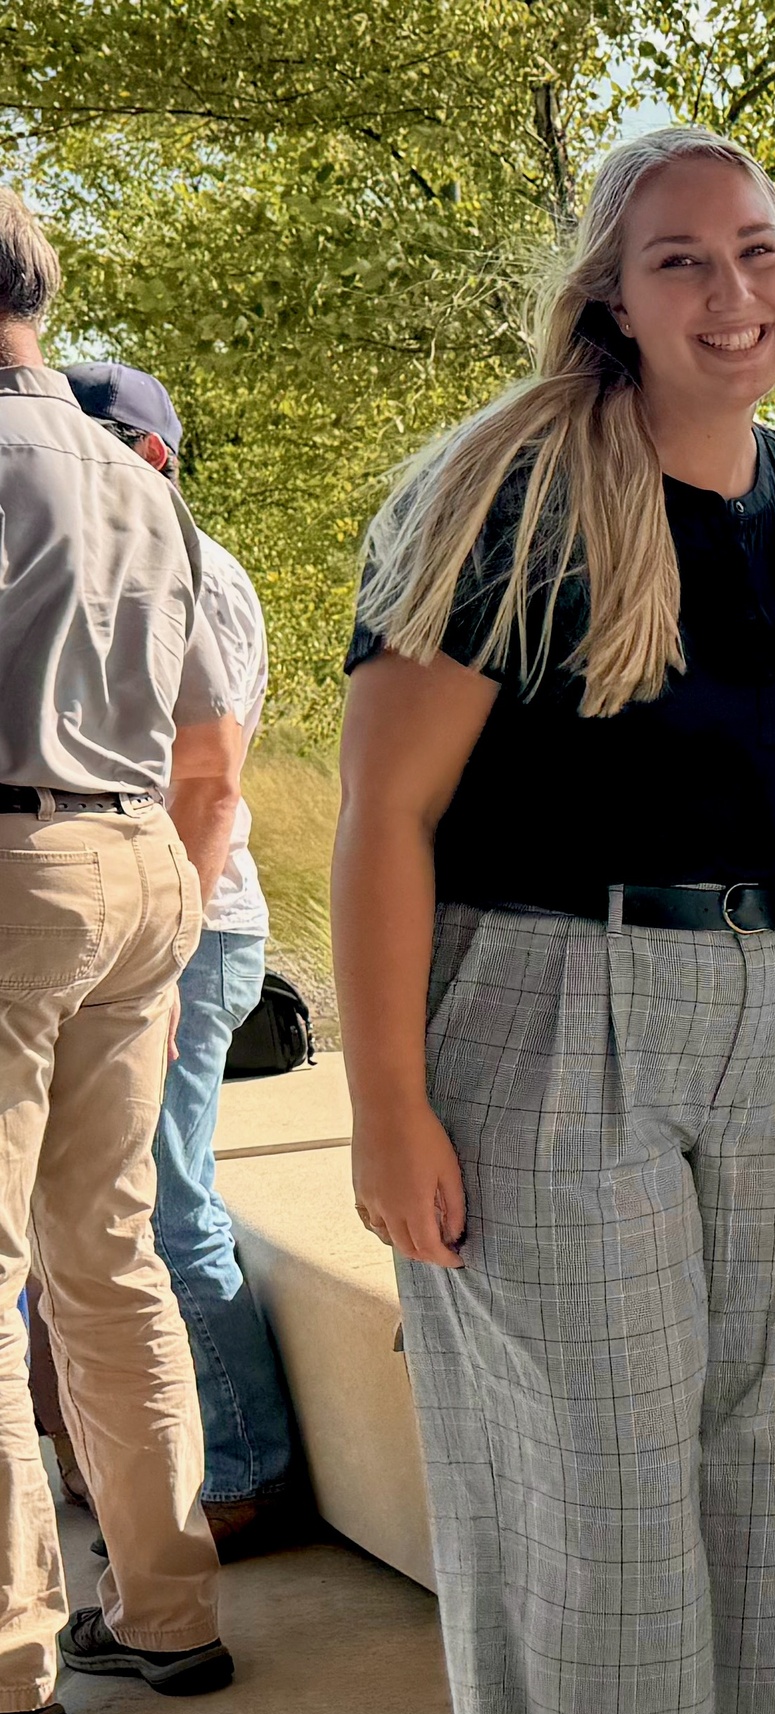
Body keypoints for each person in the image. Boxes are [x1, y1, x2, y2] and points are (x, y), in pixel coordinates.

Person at [335, 127, 775, 1714]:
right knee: (597, 1506)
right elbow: (383, 810)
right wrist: (387, 1104)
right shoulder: (513, 489)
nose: (733, 295)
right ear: (612, 291)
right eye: (681, 263)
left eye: (758, 252)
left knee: (757, 1471)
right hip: (547, 1002)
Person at [0, 187, 244, 1714]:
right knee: (108, 1255)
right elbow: (214, 745)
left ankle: (11, 1662)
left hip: (15, 865)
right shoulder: (136, 478)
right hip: (141, 865)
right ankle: (170, 1608)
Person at [61, 361, 304, 1550]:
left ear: (159, 456)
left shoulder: (197, 571)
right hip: (122, 923)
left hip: (189, 924)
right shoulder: (93, 557)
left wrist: (163, 957)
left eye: (114, 443)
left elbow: (208, 791)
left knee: (168, 1199)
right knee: (101, 1208)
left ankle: (248, 1472)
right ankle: (121, 1467)